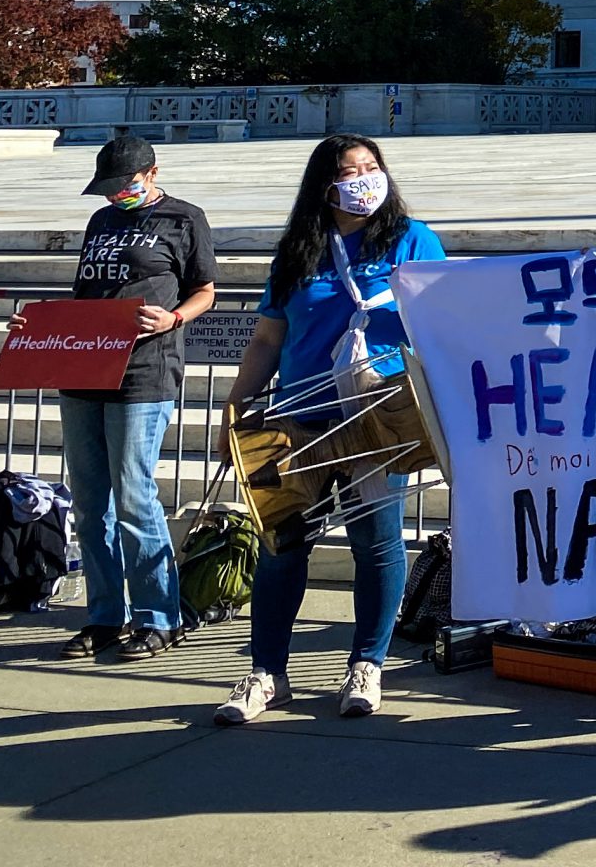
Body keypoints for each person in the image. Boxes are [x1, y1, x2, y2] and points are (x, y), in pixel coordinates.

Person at [215, 134, 444, 725]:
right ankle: (267, 671)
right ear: (326, 184)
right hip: (301, 414)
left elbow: (444, 317)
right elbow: (269, 337)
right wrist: (237, 404)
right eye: (352, 171)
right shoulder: (297, 250)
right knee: (283, 544)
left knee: (377, 543)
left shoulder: (411, 239)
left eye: (373, 168)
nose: (366, 179)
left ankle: (368, 663)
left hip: (377, 413)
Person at [32, 135, 219, 659]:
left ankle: (160, 616)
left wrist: (175, 317)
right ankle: (104, 616)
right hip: (85, 367)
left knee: (134, 496)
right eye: (109, 190)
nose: (117, 196)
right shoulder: (101, 223)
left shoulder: (184, 219)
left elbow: (206, 288)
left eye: (127, 186)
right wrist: (40, 328)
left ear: (153, 174)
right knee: (92, 505)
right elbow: (82, 296)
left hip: (144, 371)